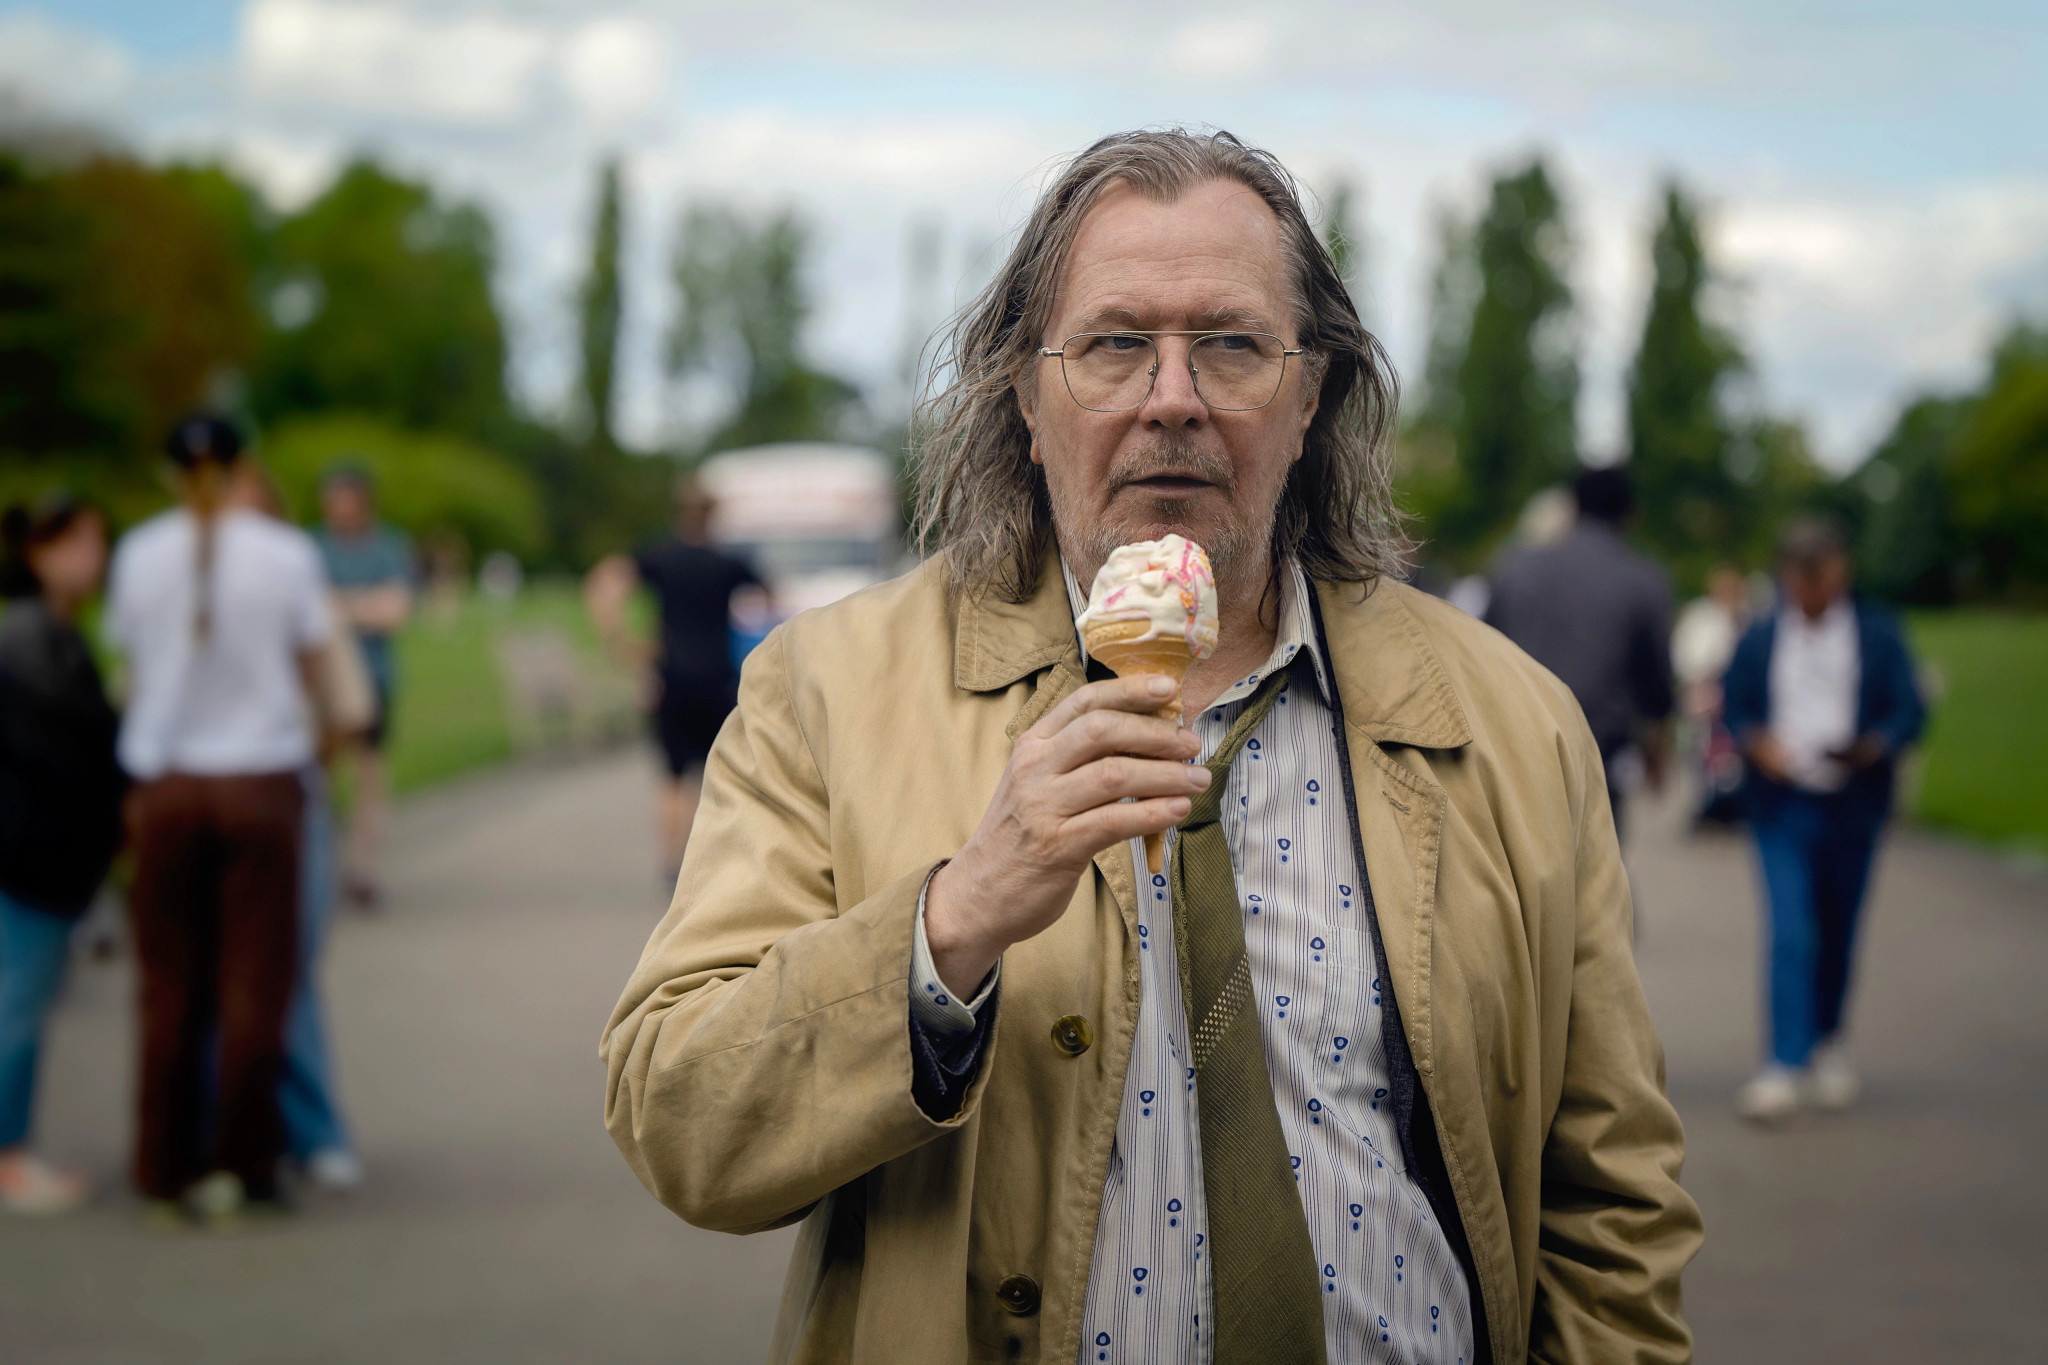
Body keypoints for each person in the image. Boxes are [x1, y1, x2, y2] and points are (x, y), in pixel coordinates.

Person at [603, 129, 1700, 1363]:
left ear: (1308, 398)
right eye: (1115, 343)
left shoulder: (1511, 720)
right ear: (1024, 396)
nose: (1169, 395)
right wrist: (949, 924)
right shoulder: (826, 692)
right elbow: (679, 1118)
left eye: (1229, 346)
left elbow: (1614, 1203)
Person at [107, 415, 335, 1224]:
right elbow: (313, 667)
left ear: (171, 472)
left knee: (170, 984)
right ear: (244, 465)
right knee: (255, 980)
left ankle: (166, 1164)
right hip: (260, 777)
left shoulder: (138, 554)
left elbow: (134, 669)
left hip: (169, 783)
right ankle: (246, 1159)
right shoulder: (285, 554)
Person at [1723, 518, 1926, 1123]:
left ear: (1840, 571)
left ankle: (1828, 1039)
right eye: (1801, 576)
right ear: (1787, 576)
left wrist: (1874, 746)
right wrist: (1757, 743)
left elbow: (1907, 711)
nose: (1811, 588)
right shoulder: (1761, 636)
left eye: (1822, 574)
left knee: (1838, 928)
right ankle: (1784, 1062)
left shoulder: (1878, 633)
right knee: (1791, 930)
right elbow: (1735, 707)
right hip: (1783, 805)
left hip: (1852, 803)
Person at [228, 464, 370, 1192]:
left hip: (288, 795)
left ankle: (312, 1130)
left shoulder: (300, 592)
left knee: (288, 964)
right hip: (215, 802)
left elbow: (346, 704)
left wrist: (300, 764)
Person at [0, 495, 123, 1215]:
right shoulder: (30, 641)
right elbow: (64, 758)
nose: (95, 557)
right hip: (32, 858)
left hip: (47, 858)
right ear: (39, 551)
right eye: (79, 542)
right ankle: (9, 1153)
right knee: (18, 1004)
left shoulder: (50, 634)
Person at [1485, 465, 1675, 841]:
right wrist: (1657, 747)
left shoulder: (1517, 567)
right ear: (1631, 512)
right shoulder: (1641, 579)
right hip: (1596, 752)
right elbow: (1655, 680)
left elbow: (1480, 650)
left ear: (1572, 505)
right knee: (1593, 873)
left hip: (1515, 744)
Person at [584, 477, 761, 880]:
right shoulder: (728, 564)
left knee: (671, 775)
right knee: (723, 774)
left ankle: (671, 862)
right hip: (718, 680)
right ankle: (717, 862)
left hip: (671, 679)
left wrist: (620, 642)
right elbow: (770, 599)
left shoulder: (659, 557)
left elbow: (603, 584)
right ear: (714, 516)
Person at [313, 463, 414, 911]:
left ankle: (363, 870)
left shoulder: (388, 546)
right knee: (317, 778)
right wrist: (361, 606)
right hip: (321, 686)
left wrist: (337, 607)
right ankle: (321, 867)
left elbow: (394, 610)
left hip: (373, 679)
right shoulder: (312, 546)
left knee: (369, 776)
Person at [1671, 565, 1750, 827]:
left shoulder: (1744, 616)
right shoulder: (1701, 617)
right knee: (1700, 751)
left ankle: (1726, 806)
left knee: (1728, 755)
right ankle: (1703, 807)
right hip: (1704, 690)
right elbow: (1690, 657)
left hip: (1732, 695)